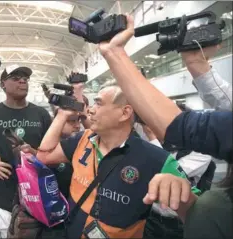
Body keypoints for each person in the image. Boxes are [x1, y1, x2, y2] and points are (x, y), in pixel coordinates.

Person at [97, 14, 232, 238]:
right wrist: (196, 63)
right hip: (153, 216)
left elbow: (176, 130)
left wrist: (115, 53)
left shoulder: (201, 153)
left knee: (210, 206)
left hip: (179, 224)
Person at [36, 85, 199, 238]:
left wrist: (180, 190)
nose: (90, 110)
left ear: (124, 113)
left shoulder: (157, 159)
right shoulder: (82, 140)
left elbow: (196, 213)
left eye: (98, 104)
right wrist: (62, 115)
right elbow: (44, 156)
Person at [0, 64, 52, 237]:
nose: (23, 81)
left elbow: (54, 152)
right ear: (2, 84)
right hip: (5, 194)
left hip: (39, 194)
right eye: (16, 78)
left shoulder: (41, 115)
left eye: (25, 78)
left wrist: (35, 154)